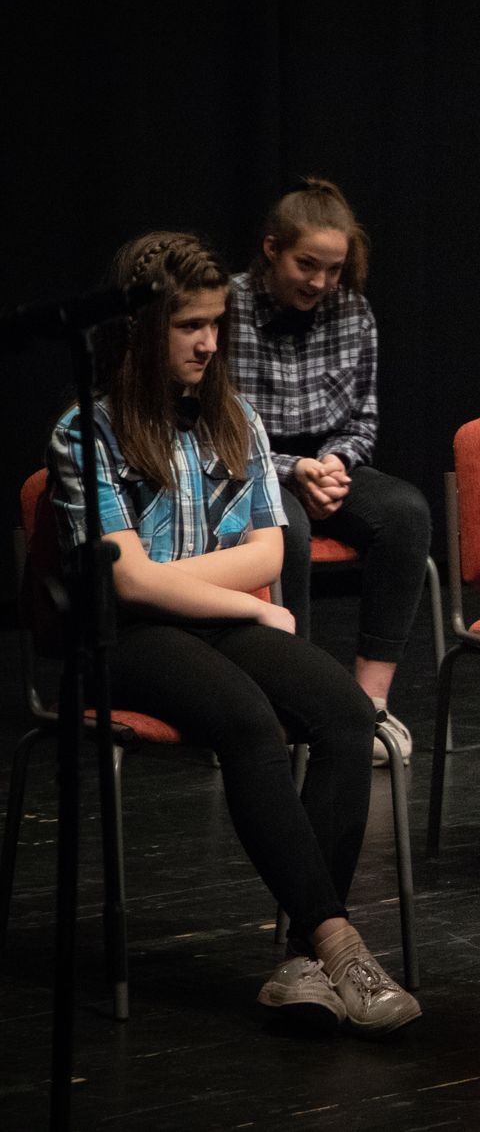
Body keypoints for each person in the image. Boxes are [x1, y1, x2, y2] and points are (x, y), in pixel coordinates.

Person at [46, 232, 419, 1037]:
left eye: (215, 322)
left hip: (205, 621)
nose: (210, 341)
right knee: (248, 719)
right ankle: (340, 944)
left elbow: (268, 552)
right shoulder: (87, 431)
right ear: (144, 328)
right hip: (125, 638)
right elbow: (129, 582)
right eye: (190, 325)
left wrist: (196, 580)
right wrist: (245, 604)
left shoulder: (233, 417)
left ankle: (302, 960)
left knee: (346, 713)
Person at [228, 178, 433, 766]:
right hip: (250, 469)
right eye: (307, 265)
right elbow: (220, 431)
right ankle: (296, 700)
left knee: (405, 512)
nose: (320, 282)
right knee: (284, 531)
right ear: (272, 250)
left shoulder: (354, 312)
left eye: (334, 269)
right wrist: (293, 470)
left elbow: (363, 419)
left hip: (326, 463)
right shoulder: (229, 308)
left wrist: (334, 464)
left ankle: (369, 705)